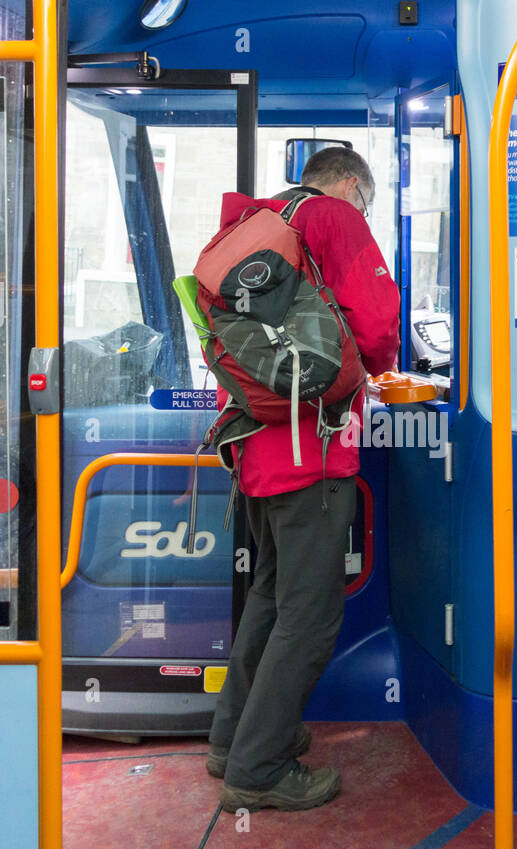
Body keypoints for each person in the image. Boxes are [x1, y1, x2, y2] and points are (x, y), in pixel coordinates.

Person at [205, 147, 400, 812]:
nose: (362, 212)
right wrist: (380, 365)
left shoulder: (262, 222)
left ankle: (233, 741)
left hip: (256, 450)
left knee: (270, 599)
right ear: (351, 185)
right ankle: (257, 771)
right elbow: (375, 324)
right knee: (311, 617)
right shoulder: (335, 220)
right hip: (309, 456)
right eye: (364, 202)